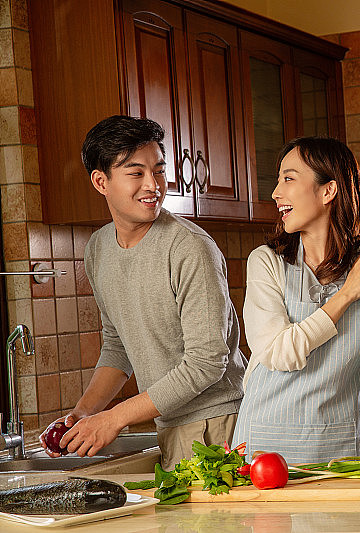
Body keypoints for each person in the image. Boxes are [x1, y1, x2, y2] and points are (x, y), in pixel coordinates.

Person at [41, 115, 246, 469]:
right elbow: (117, 345)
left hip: (219, 425)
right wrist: (85, 412)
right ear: (100, 181)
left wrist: (116, 417)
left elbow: (208, 361)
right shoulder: (99, 249)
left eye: (159, 171)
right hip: (169, 424)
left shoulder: (189, 247)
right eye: (136, 173)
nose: (153, 185)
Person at [231, 137, 360, 463]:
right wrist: (347, 293)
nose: (276, 192)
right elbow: (280, 353)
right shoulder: (267, 262)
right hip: (265, 445)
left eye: (288, 178)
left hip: (341, 445)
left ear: (328, 191)